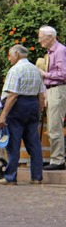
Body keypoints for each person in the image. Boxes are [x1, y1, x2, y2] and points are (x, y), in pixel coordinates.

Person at [0, 45, 46, 185]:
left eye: (10, 55)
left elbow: (12, 95)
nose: (9, 58)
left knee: (14, 142)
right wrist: (40, 110)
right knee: (34, 143)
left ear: (17, 54)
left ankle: (10, 177)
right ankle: (36, 177)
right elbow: (41, 95)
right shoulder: (35, 70)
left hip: (18, 106)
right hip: (33, 105)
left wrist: (3, 116)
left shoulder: (15, 70)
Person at [37, 25, 66, 170]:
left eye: (41, 37)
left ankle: (58, 160)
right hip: (52, 90)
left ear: (50, 37)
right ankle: (56, 158)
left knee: (55, 126)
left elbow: (63, 74)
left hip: (58, 89)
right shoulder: (51, 52)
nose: (39, 40)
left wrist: (44, 74)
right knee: (52, 126)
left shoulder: (60, 51)